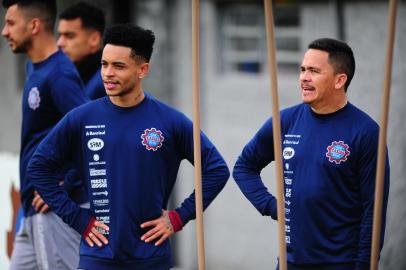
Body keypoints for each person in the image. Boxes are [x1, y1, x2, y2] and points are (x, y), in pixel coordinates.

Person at [28, 23, 230, 270]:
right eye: (104, 64)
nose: (108, 73)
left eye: (118, 66)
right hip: (97, 257)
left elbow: (217, 170)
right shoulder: (81, 118)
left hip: (151, 259)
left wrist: (179, 217)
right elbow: (38, 167)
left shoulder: (170, 121)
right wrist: (78, 218)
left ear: (142, 70)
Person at [233, 38, 390, 270]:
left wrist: (364, 265)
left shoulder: (365, 132)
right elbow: (244, 167)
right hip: (290, 262)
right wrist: (271, 206)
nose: (304, 77)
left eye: (314, 71)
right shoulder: (285, 121)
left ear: (340, 80)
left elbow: (373, 211)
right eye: (303, 69)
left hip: (341, 264)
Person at [1, 0, 89, 269]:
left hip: (51, 210)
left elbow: (92, 131)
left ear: (35, 25)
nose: (5, 31)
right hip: (31, 210)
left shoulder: (60, 74)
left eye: (10, 23)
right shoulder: (34, 68)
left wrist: (66, 183)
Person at [57, 1, 106, 100]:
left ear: (94, 39)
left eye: (69, 36)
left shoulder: (107, 81)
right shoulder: (70, 73)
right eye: (60, 35)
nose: (59, 43)